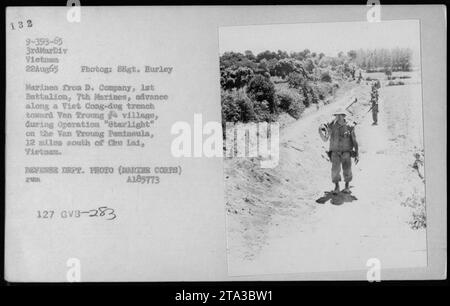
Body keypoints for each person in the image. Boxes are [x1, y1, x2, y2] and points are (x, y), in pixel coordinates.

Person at [318, 109, 359, 194]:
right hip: (335, 152)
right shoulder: (332, 125)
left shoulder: (350, 126)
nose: (338, 117)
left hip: (346, 152)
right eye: (337, 115)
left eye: (341, 115)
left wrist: (357, 153)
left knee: (347, 170)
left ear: (344, 116)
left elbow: (354, 140)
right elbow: (325, 138)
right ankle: (336, 186)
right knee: (335, 171)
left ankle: (347, 186)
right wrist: (321, 130)